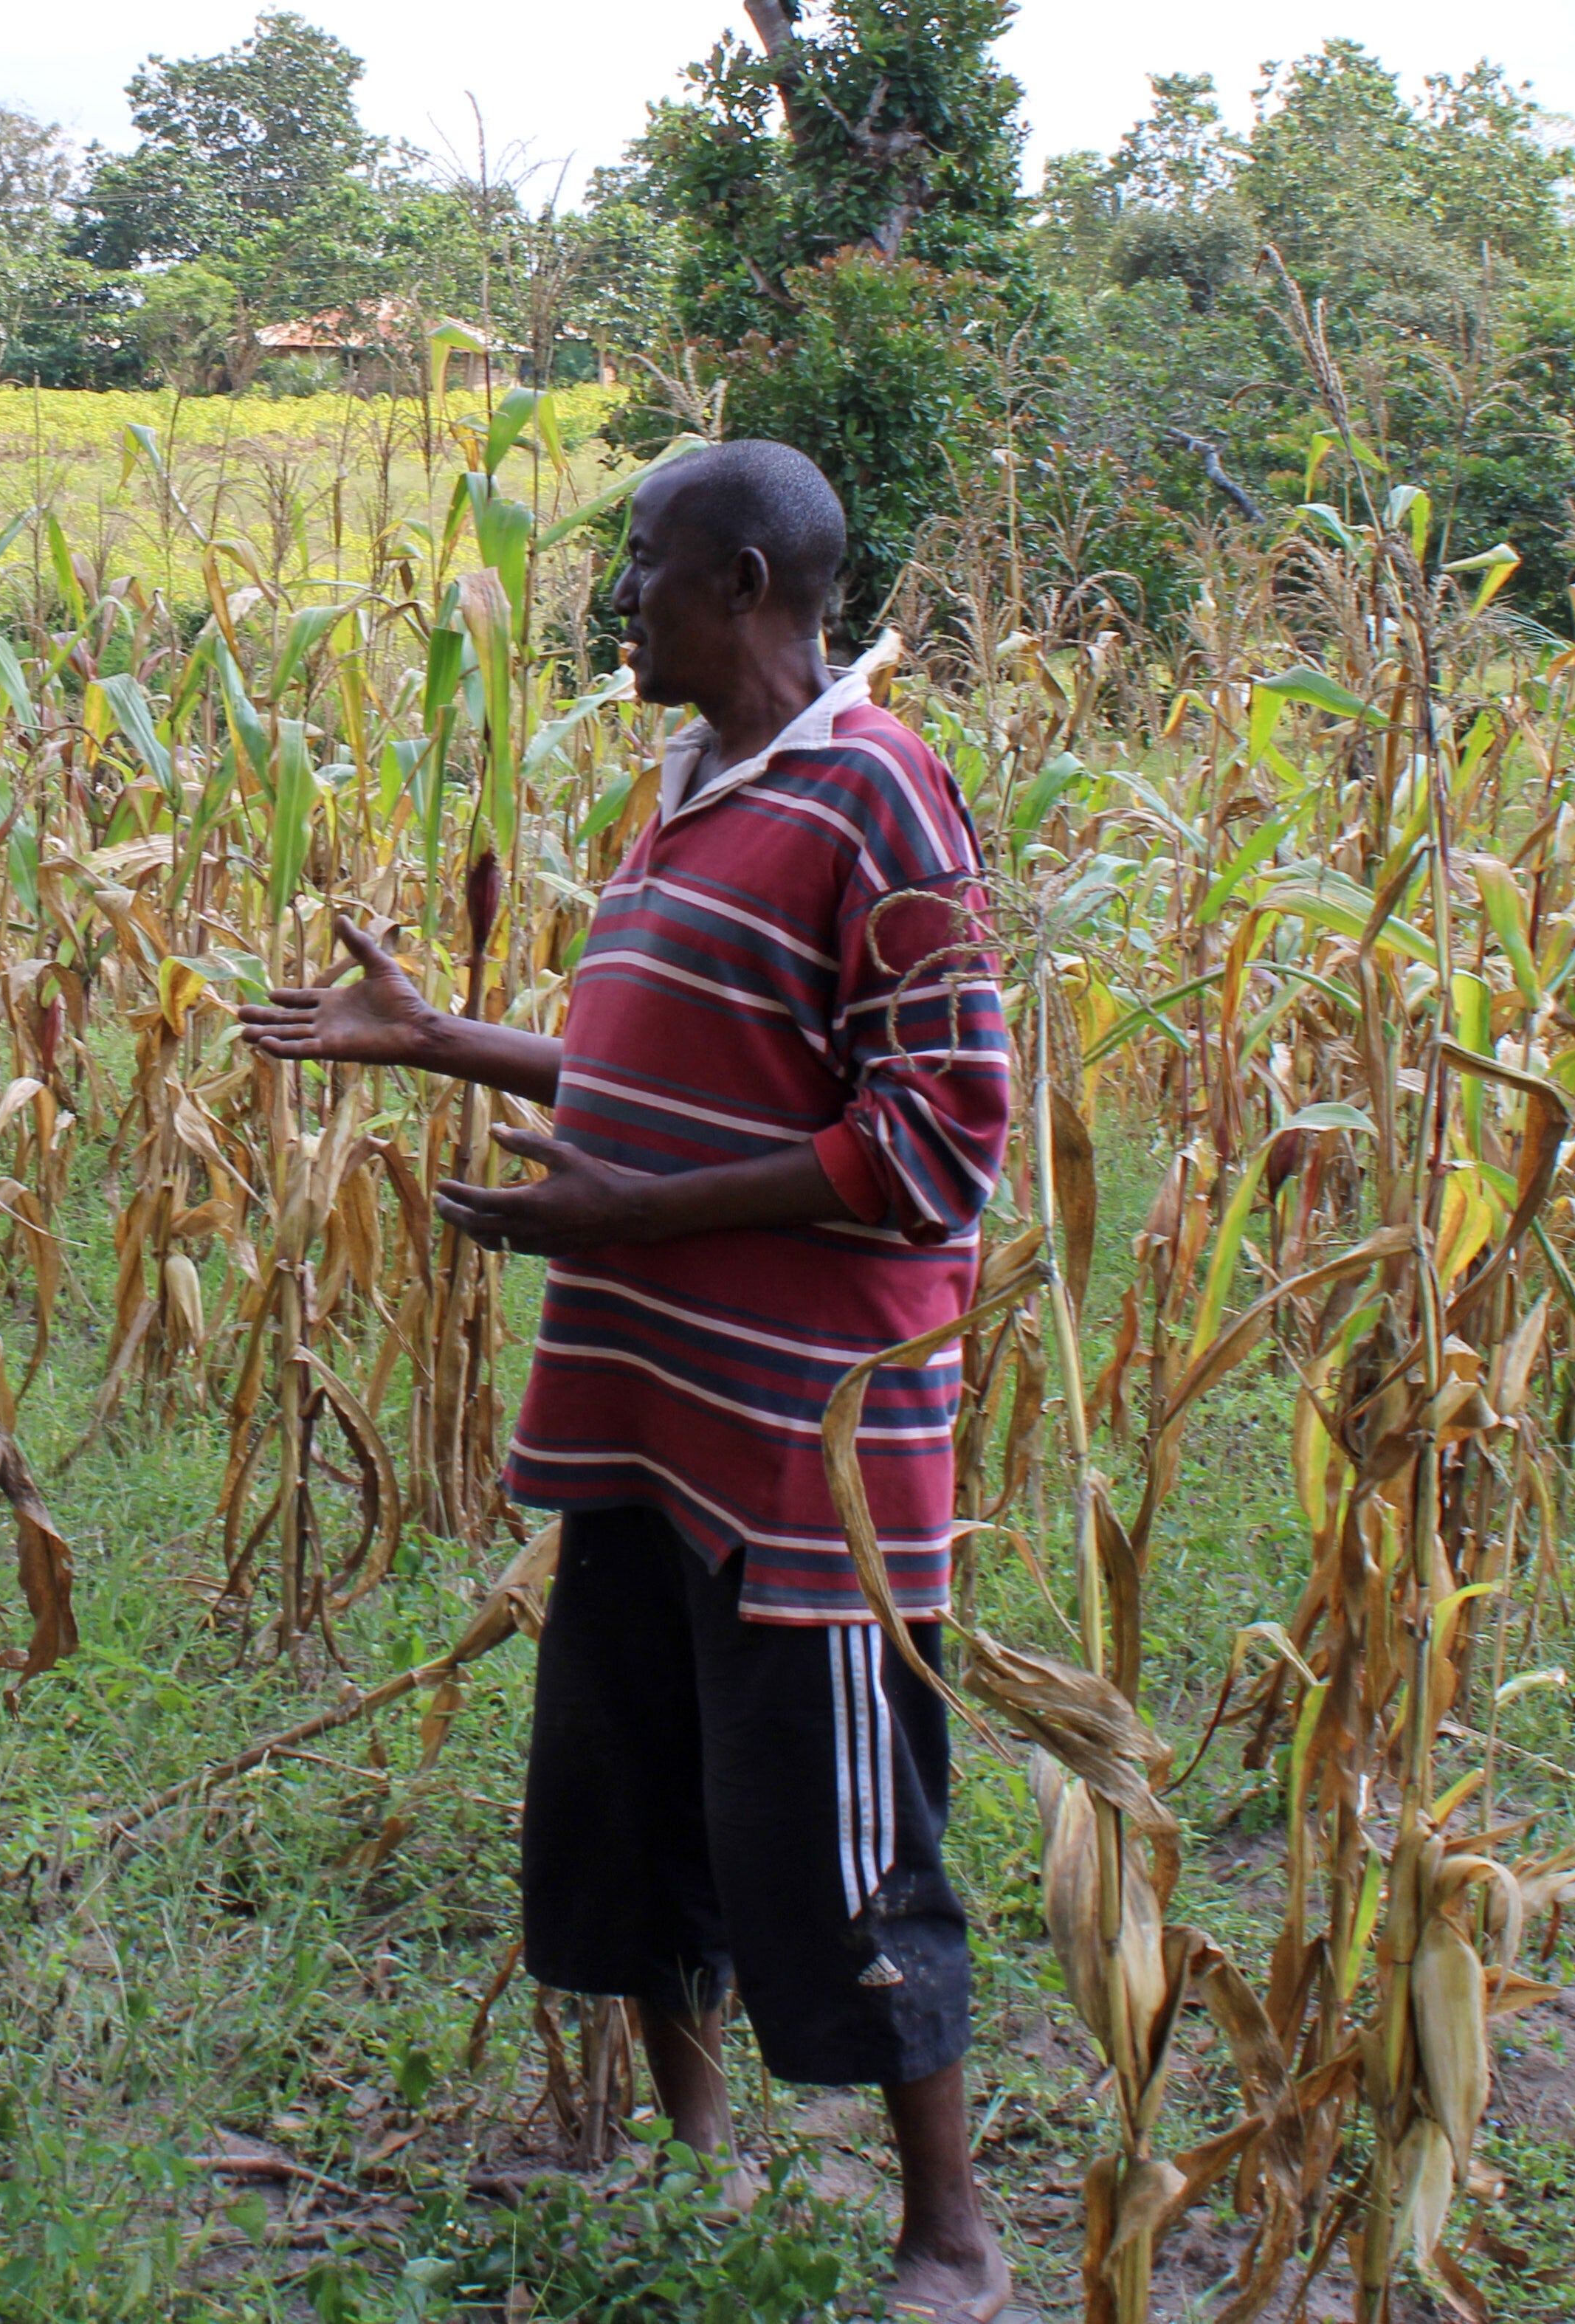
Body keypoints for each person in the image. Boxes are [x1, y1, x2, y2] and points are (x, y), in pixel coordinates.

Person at [239, 440, 1013, 2320]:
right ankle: (694, 2165)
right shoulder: (693, 792)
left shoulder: (878, 802)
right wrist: (441, 1044)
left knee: (839, 1838)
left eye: (647, 566)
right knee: (639, 1800)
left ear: (742, 584)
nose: (620, 602)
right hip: (651, 1422)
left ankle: (951, 2240)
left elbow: (939, 1145)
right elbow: (667, 1073)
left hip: (800, 1451)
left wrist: (635, 1219)